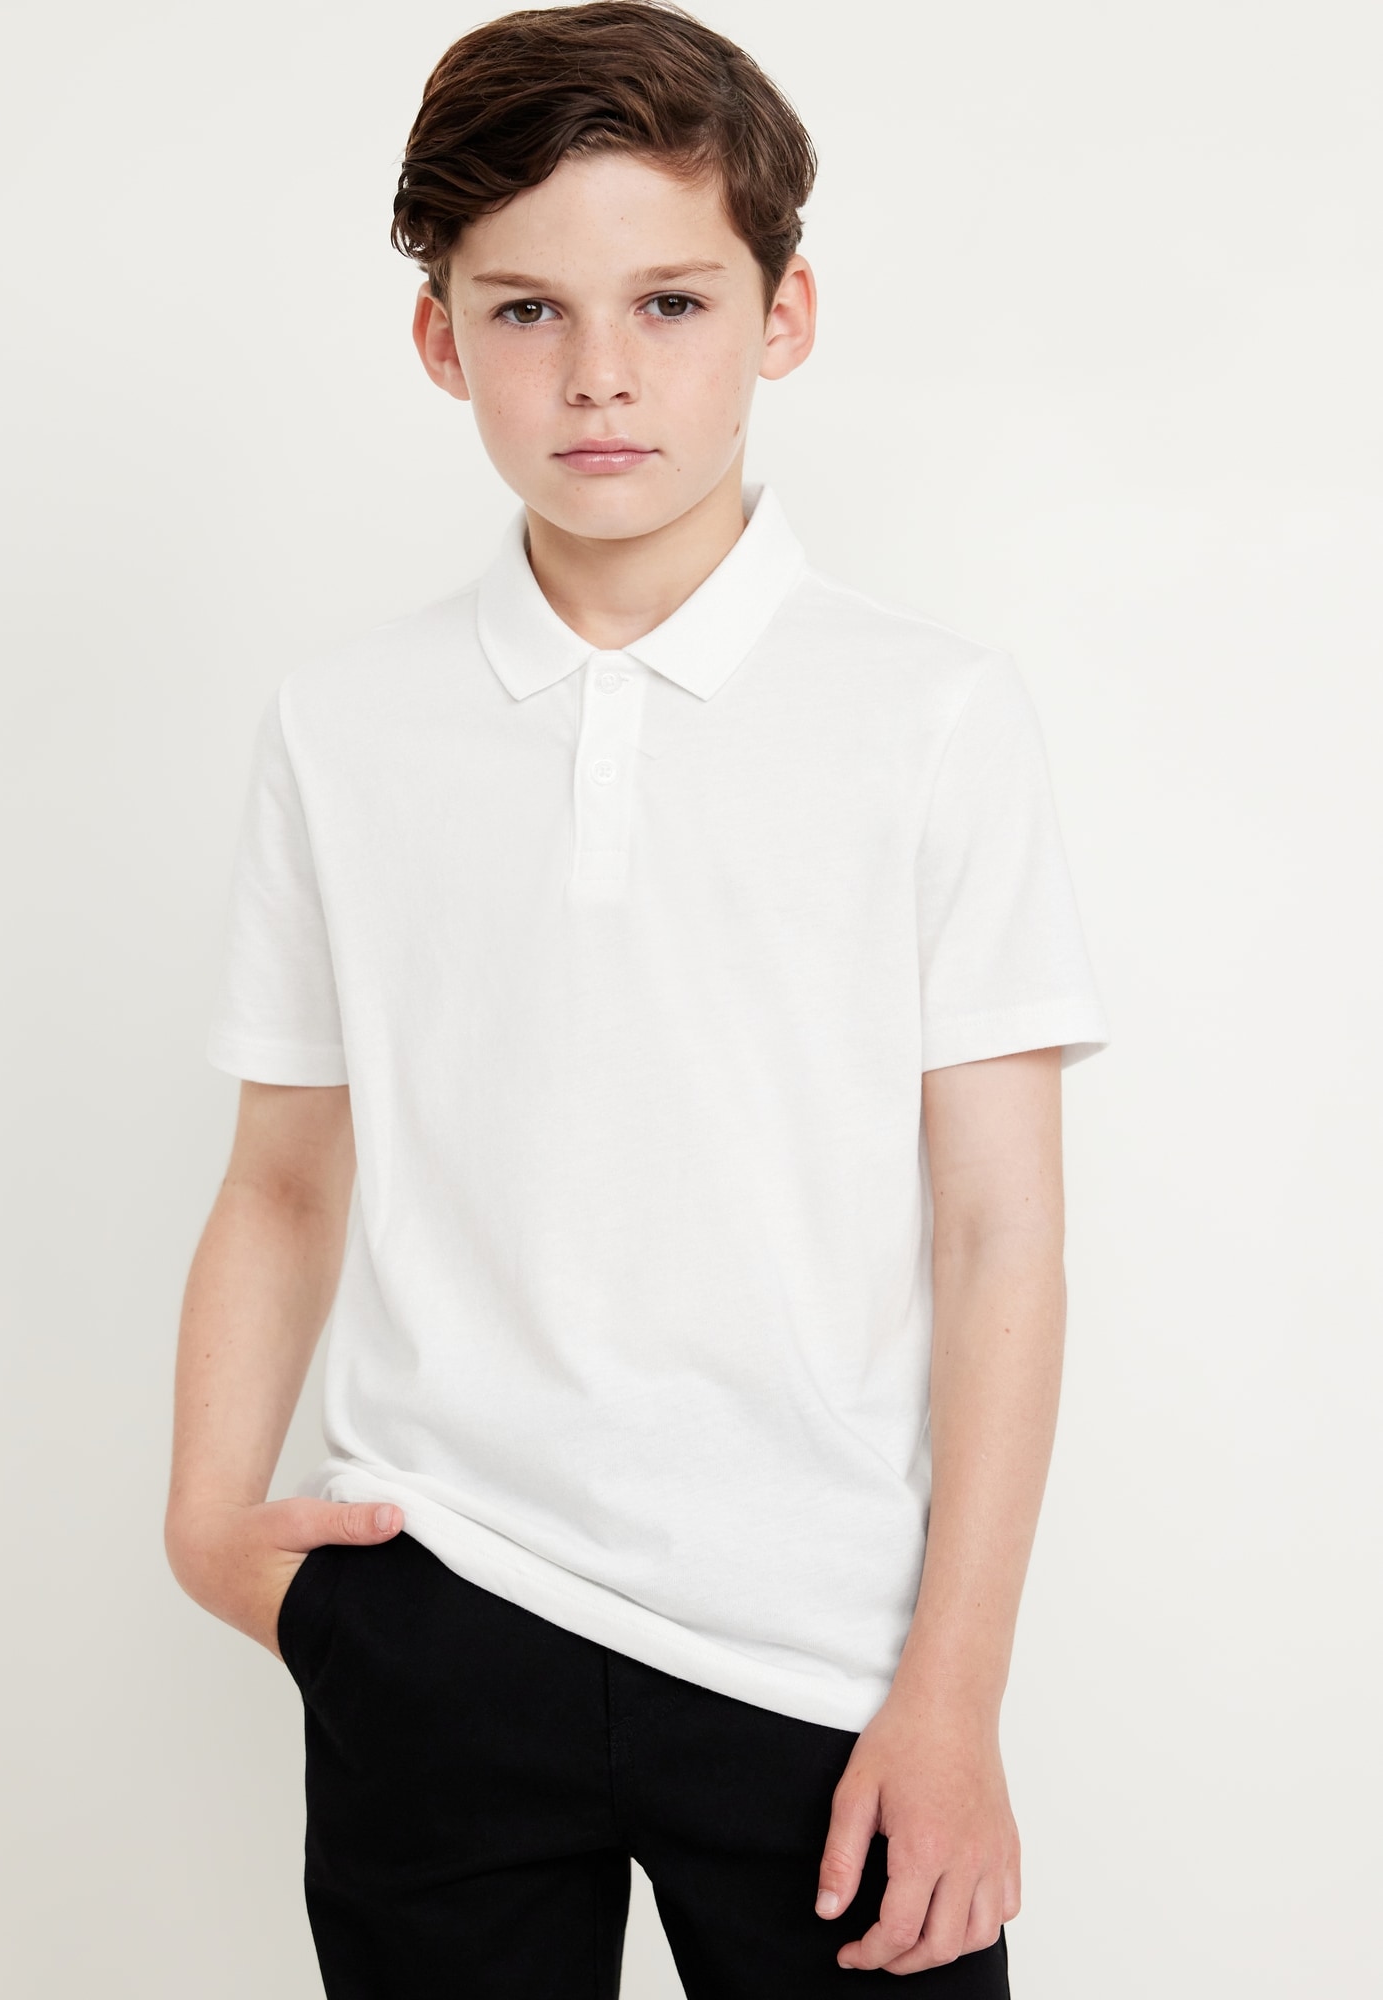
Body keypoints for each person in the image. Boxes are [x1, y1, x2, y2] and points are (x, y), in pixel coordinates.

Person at [164, 4, 1109, 1992]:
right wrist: (205, 1521)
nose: (600, 372)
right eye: (527, 311)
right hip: (441, 1613)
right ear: (441, 339)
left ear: (784, 316)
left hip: (825, 1668)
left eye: (671, 302)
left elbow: (1000, 1230)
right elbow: (284, 1175)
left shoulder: (931, 717)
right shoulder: (344, 725)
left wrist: (954, 1692)